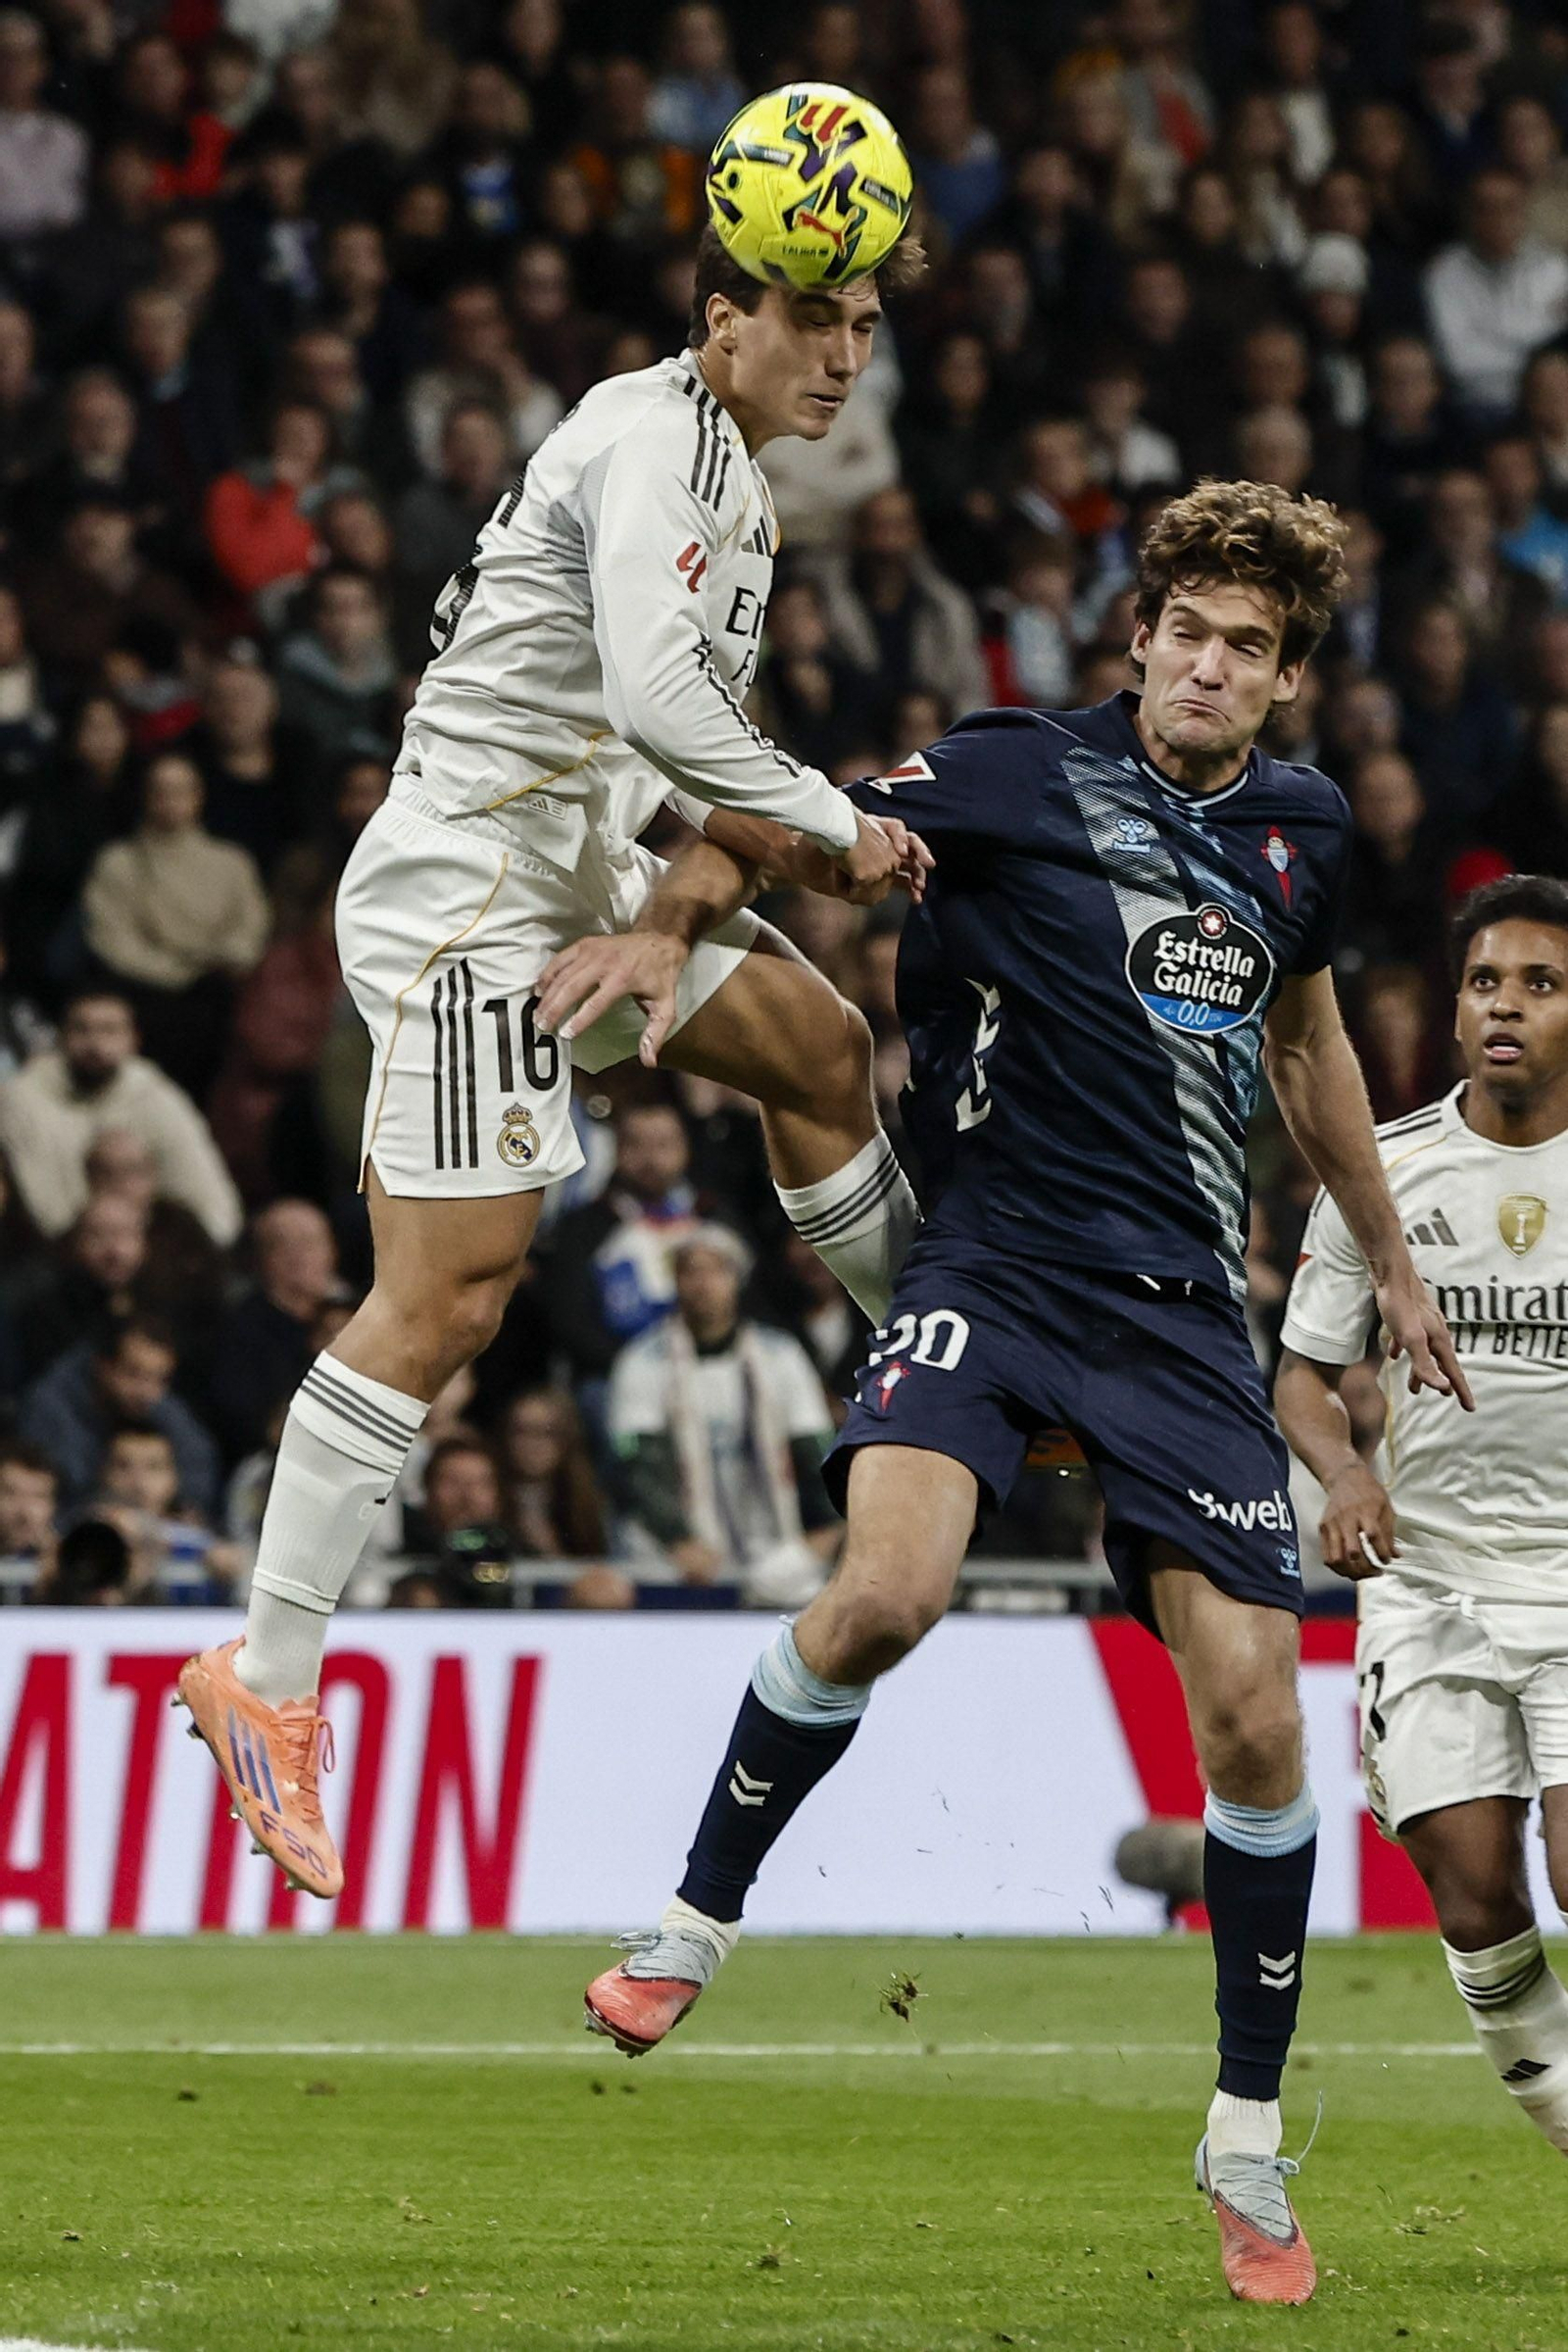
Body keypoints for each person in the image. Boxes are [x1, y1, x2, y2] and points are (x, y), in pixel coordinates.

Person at [584, 480, 1472, 2307]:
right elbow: (779, 814)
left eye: (1249, 647)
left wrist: (1382, 1254)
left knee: (1259, 1729)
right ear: (1137, 635)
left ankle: (1243, 2131)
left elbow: (1306, 1047)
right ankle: (688, 1921)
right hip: (990, 1268)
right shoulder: (1008, 770)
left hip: (1174, 1319)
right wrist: (677, 921)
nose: (1209, 666)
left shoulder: (1302, 837)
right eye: (1188, 632)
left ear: (1286, 680)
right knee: (888, 1593)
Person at [174, 209, 932, 1902]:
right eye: (814, 315)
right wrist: (840, 826)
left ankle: (942, 1357)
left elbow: (684, 769)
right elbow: (675, 708)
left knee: (816, 1045)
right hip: (474, 886)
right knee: (453, 1292)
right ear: (719, 313)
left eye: (867, 325)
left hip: (573, 867)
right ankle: (266, 1681)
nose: (845, 354)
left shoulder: (731, 480)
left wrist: (679, 913)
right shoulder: (653, 439)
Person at [1275, 873, 1568, 2168]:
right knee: (1473, 1888)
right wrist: (1345, 1473)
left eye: (1542, 986)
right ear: (1454, 1012)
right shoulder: (1380, 1173)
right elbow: (1301, 1375)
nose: (1507, 1006)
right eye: (1486, 982)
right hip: (1431, 1578)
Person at [609, 1224, 841, 1605]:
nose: (703, 1283)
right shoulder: (642, 1361)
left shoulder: (780, 1355)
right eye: (690, 1271)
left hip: (771, 1547)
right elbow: (636, 1463)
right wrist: (680, 1541)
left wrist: (829, 1528)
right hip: (672, 1553)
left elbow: (814, 1449)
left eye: (716, 1270)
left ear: (737, 1279)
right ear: (675, 1281)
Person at [0, 990, 242, 1246]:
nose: (95, 1044)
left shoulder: (155, 1094)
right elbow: (48, 1215)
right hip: (66, 1256)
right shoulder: (24, 1097)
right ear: (61, 1037)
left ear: (134, 1040)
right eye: (81, 1029)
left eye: (109, 1030)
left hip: (153, 1250)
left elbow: (215, 1210)